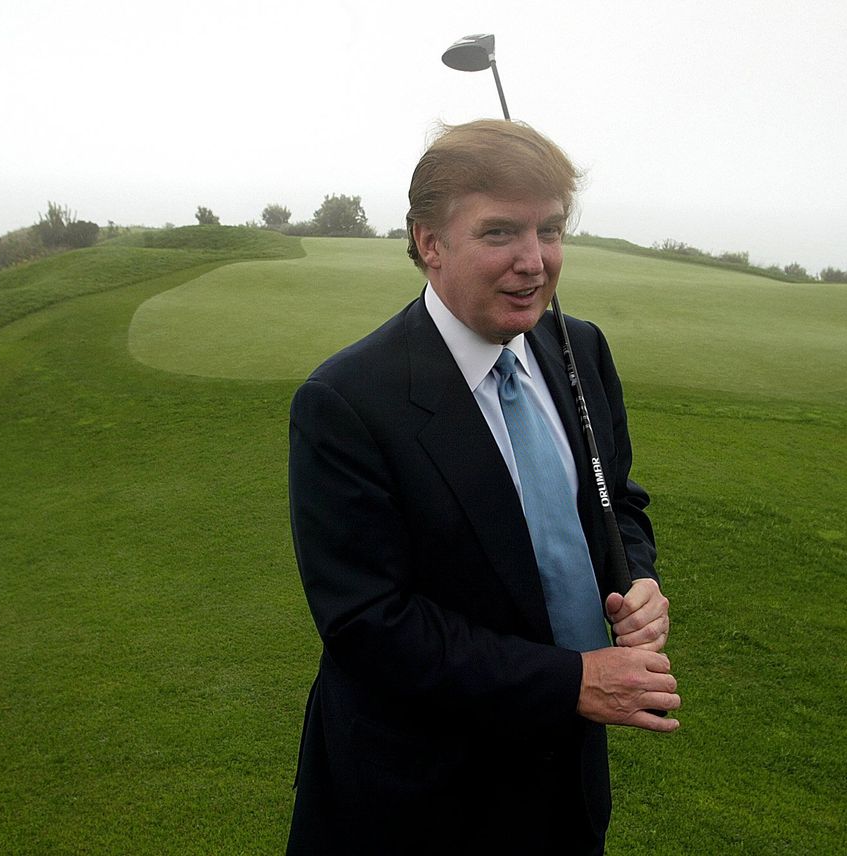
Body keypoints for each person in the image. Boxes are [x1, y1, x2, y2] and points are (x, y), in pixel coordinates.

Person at [286, 119, 679, 856]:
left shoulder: (580, 348)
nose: (534, 263)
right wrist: (571, 681)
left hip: (563, 788)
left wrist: (639, 578)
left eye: (550, 230)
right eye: (500, 233)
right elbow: (371, 623)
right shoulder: (348, 400)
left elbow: (615, 501)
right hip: (415, 802)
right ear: (429, 242)